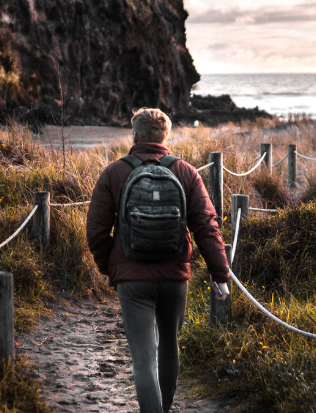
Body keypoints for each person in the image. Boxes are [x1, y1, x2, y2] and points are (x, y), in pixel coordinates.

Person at [86, 107, 230, 413]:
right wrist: (220, 274)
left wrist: (113, 270)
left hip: (133, 279)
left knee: (143, 359)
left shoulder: (114, 172)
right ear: (165, 136)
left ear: (135, 135)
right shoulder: (186, 171)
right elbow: (206, 226)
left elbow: (96, 231)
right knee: (169, 348)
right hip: (175, 276)